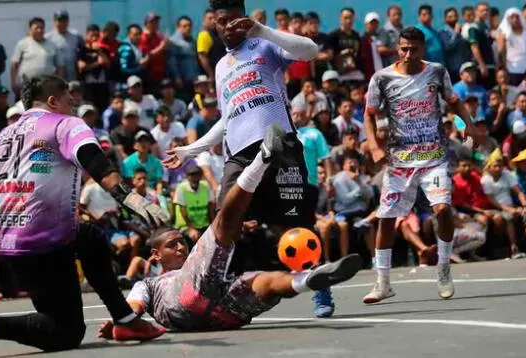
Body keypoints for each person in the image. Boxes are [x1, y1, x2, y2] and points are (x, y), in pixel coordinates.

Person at [0, 75, 172, 358]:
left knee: (89, 237)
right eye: (69, 100)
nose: (74, 107)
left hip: (11, 240)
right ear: (53, 101)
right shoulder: (64, 123)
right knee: (66, 332)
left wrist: (13, 209)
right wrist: (130, 197)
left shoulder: (3, 135)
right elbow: (94, 160)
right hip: (43, 241)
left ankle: (125, 320)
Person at [98, 124, 362, 335]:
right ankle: (262, 159)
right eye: (172, 245)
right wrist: (124, 322)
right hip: (184, 299)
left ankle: (307, 280)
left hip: (223, 314)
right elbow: (134, 304)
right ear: (154, 256)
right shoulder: (150, 284)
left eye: (180, 242)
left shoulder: (196, 265)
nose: (181, 246)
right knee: (221, 227)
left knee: (263, 282)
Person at [163, 0, 335, 318]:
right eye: (218, 22)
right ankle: (213, 290)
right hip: (238, 156)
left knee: (293, 224)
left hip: (280, 146)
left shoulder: (264, 44)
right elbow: (226, 119)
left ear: (242, 19)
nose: (225, 27)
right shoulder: (219, 66)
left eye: (230, 20)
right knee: (226, 219)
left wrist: (261, 29)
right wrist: (192, 150)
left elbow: (310, 51)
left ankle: (319, 284)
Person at [363, 26, 474, 303]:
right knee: (386, 219)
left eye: (413, 49)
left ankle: (444, 269)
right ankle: (383, 282)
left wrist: (467, 123)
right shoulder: (382, 77)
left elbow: (454, 102)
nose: (408, 54)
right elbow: (369, 114)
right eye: (403, 49)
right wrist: (375, 146)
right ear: (398, 48)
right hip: (400, 162)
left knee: (443, 211)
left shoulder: (436, 71)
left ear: (423, 49)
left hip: (434, 158)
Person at [481, 149, 526, 258]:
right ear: (489, 167)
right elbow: (492, 201)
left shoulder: (507, 174)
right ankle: (514, 249)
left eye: (500, 165)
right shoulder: (485, 180)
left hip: (511, 206)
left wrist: (525, 205)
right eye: (495, 166)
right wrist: (509, 209)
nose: (498, 168)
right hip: (496, 208)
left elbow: (518, 192)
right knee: (508, 218)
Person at [11, 18, 64, 98]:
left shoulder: (52, 45)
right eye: (36, 28)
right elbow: (14, 65)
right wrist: (13, 83)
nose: (39, 30)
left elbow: (60, 66)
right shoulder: (22, 44)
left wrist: (59, 83)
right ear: (30, 29)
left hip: (46, 87)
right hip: (26, 86)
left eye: (42, 28)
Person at [172, 162, 215, 243]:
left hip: (203, 224)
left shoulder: (205, 186)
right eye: (191, 175)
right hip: (186, 225)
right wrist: (191, 228)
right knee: (194, 237)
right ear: (187, 176)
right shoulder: (181, 188)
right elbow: (183, 210)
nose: (194, 177)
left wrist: (213, 224)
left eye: (197, 174)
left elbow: (210, 206)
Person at [497, 8, 526, 86]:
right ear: (507, 19)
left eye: (517, 17)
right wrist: (504, 70)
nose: (515, 19)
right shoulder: (504, 33)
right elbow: (501, 52)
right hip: (512, 71)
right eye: (512, 17)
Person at [78, 24, 110, 113]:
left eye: (97, 36)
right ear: (87, 35)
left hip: (102, 85)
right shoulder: (82, 50)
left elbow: (107, 63)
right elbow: (82, 67)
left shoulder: (103, 49)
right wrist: (97, 64)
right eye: (92, 36)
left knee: (102, 109)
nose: (95, 38)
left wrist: (99, 51)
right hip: (88, 85)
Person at [329, 8, 365, 82]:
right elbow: (330, 56)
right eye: (345, 18)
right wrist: (343, 53)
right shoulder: (334, 35)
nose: (348, 21)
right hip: (339, 74)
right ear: (340, 18)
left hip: (354, 73)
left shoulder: (356, 35)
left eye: (350, 18)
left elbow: (359, 54)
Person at [45, 10, 83, 82]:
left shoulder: (76, 35)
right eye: (60, 21)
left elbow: (83, 51)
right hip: (56, 75)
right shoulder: (47, 38)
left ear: (68, 21)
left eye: (65, 21)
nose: (62, 23)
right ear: (54, 21)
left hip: (73, 76)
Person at [439, 7, 472, 82]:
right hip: (453, 70)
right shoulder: (443, 33)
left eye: (455, 16)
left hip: (465, 69)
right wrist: (456, 33)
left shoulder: (463, 30)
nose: (453, 19)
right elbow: (447, 47)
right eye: (450, 17)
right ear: (445, 19)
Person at [468, 2, 497, 89]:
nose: (485, 12)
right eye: (482, 10)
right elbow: (474, 47)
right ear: (476, 12)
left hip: (491, 65)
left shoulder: (485, 26)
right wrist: (481, 65)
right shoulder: (474, 27)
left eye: (487, 10)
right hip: (481, 68)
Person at [168, 16, 200, 91]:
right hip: (182, 82)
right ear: (178, 28)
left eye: (189, 26)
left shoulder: (192, 41)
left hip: (194, 80)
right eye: (184, 26)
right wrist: (177, 78)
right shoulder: (174, 42)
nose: (188, 28)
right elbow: (172, 62)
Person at [140, 12, 168, 86]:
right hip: (149, 75)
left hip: (161, 74)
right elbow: (147, 56)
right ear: (147, 23)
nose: (155, 24)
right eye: (152, 22)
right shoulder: (143, 37)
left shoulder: (158, 36)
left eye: (156, 22)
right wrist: (161, 47)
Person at [196, 9, 225, 79]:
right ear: (204, 21)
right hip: (214, 75)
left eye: (214, 18)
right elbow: (203, 57)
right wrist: (211, 74)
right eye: (210, 18)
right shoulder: (204, 35)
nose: (213, 21)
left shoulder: (217, 33)